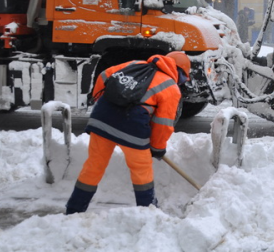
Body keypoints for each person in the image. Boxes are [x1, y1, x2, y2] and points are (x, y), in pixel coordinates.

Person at [65, 51, 191, 214]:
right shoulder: (171, 88)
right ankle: (148, 211)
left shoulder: (134, 65)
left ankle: (74, 209)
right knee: (141, 170)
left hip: (101, 118)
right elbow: (163, 124)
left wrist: (104, 102)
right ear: (180, 71)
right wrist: (157, 147)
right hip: (132, 128)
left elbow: (104, 76)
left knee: (94, 165)